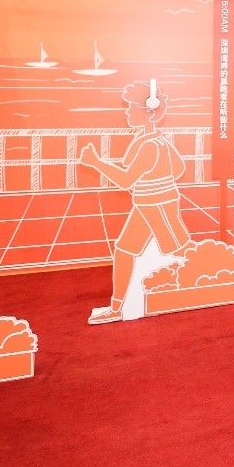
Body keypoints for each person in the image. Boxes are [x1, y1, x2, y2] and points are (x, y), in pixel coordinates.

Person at [79, 80, 193, 325]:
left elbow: (126, 180)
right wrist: (156, 179)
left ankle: (209, 280)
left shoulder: (151, 144)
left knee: (181, 250)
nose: (127, 112)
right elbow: (178, 168)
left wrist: (96, 162)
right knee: (125, 250)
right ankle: (117, 308)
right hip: (147, 204)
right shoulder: (153, 139)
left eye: (131, 108)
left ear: (148, 111)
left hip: (159, 205)